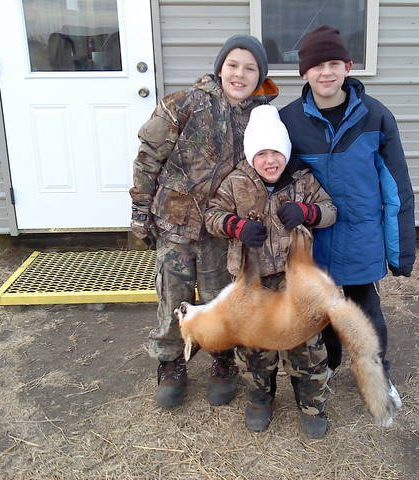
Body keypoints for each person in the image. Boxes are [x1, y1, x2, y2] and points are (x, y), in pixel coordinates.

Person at [130, 35, 278, 409]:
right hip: (175, 224)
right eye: (233, 65)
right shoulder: (182, 104)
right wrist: (141, 210)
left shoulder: (261, 118)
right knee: (173, 296)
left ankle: (222, 360)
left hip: (223, 229)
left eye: (250, 68)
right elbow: (148, 159)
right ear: (219, 68)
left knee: (219, 298)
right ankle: (171, 362)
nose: (240, 75)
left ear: (260, 75)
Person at [279, 25, 416, 378]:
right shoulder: (288, 120)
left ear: (348, 67)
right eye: (317, 65)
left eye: (334, 64)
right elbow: (277, 181)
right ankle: (328, 365)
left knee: (365, 310)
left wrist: (400, 250)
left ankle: (376, 374)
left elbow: (396, 187)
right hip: (313, 236)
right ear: (304, 72)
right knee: (320, 309)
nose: (326, 73)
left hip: (360, 235)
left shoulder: (376, 115)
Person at [204, 105, 337, 438]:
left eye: (276, 152)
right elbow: (211, 217)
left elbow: (330, 210)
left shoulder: (303, 180)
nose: (270, 161)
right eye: (261, 154)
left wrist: (307, 212)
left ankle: (311, 405)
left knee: (306, 344)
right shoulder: (235, 181)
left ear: (286, 152)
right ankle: (260, 400)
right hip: (252, 280)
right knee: (254, 347)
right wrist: (236, 226)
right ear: (252, 156)